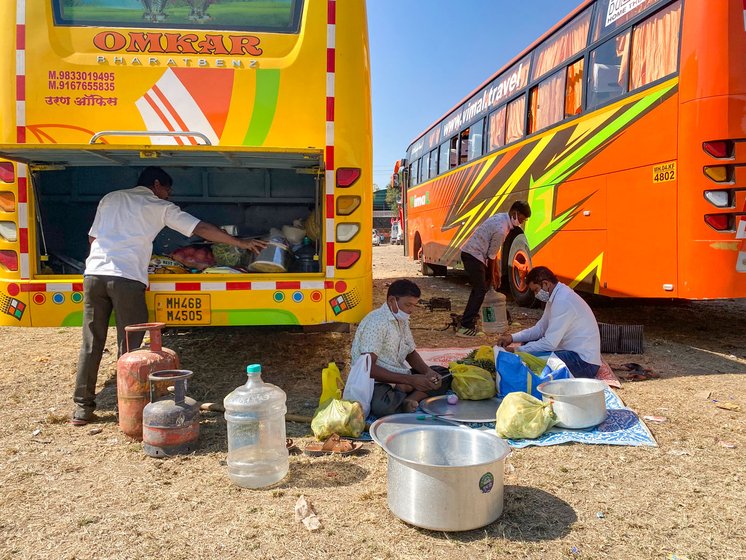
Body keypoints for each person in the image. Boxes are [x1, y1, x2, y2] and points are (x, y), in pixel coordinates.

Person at [71, 166, 267, 426]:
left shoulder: (112, 198)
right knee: (129, 347)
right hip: (127, 278)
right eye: (167, 189)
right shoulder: (158, 205)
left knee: (91, 342)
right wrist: (240, 243)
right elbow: (200, 228)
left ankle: (82, 409)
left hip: (93, 275)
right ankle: (125, 406)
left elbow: (93, 237)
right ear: (156, 184)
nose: (168, 195)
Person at [350, 279, 451, 417]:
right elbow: (368, 369)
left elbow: (410, 352)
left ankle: (410, 399)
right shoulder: (376, 322)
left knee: (443, 374)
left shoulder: (402, 319)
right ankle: (406, 390)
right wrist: (409, 380)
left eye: (414, 305)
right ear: (392, 300)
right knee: (383, 407)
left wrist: (428, 372)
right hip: (378, 381)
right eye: (408, 304)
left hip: (400, 375)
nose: (411, 310)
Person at [495, 266, 602, 378]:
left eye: (536, 290)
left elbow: (549, 343)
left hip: (585, 363)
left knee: (530, 357)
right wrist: (511, 338)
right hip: (573, 353)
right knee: (528, 346)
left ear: (545, 284)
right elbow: (540, 329)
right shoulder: (556, 296)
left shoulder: (562, 301)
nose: (536, 295)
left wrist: (516, 350)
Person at [457, 200, 531, 337]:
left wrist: (495, 275)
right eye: (521, 218)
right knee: (480, 289)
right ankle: (465, 326)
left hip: (476, 254)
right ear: (515, 213)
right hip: (473, 255)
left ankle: (504, 318)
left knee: (488, 287)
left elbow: (493, 255)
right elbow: (492, 257)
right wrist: (493, 275)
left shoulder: (502, 218)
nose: (521, 222)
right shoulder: (501, 230)